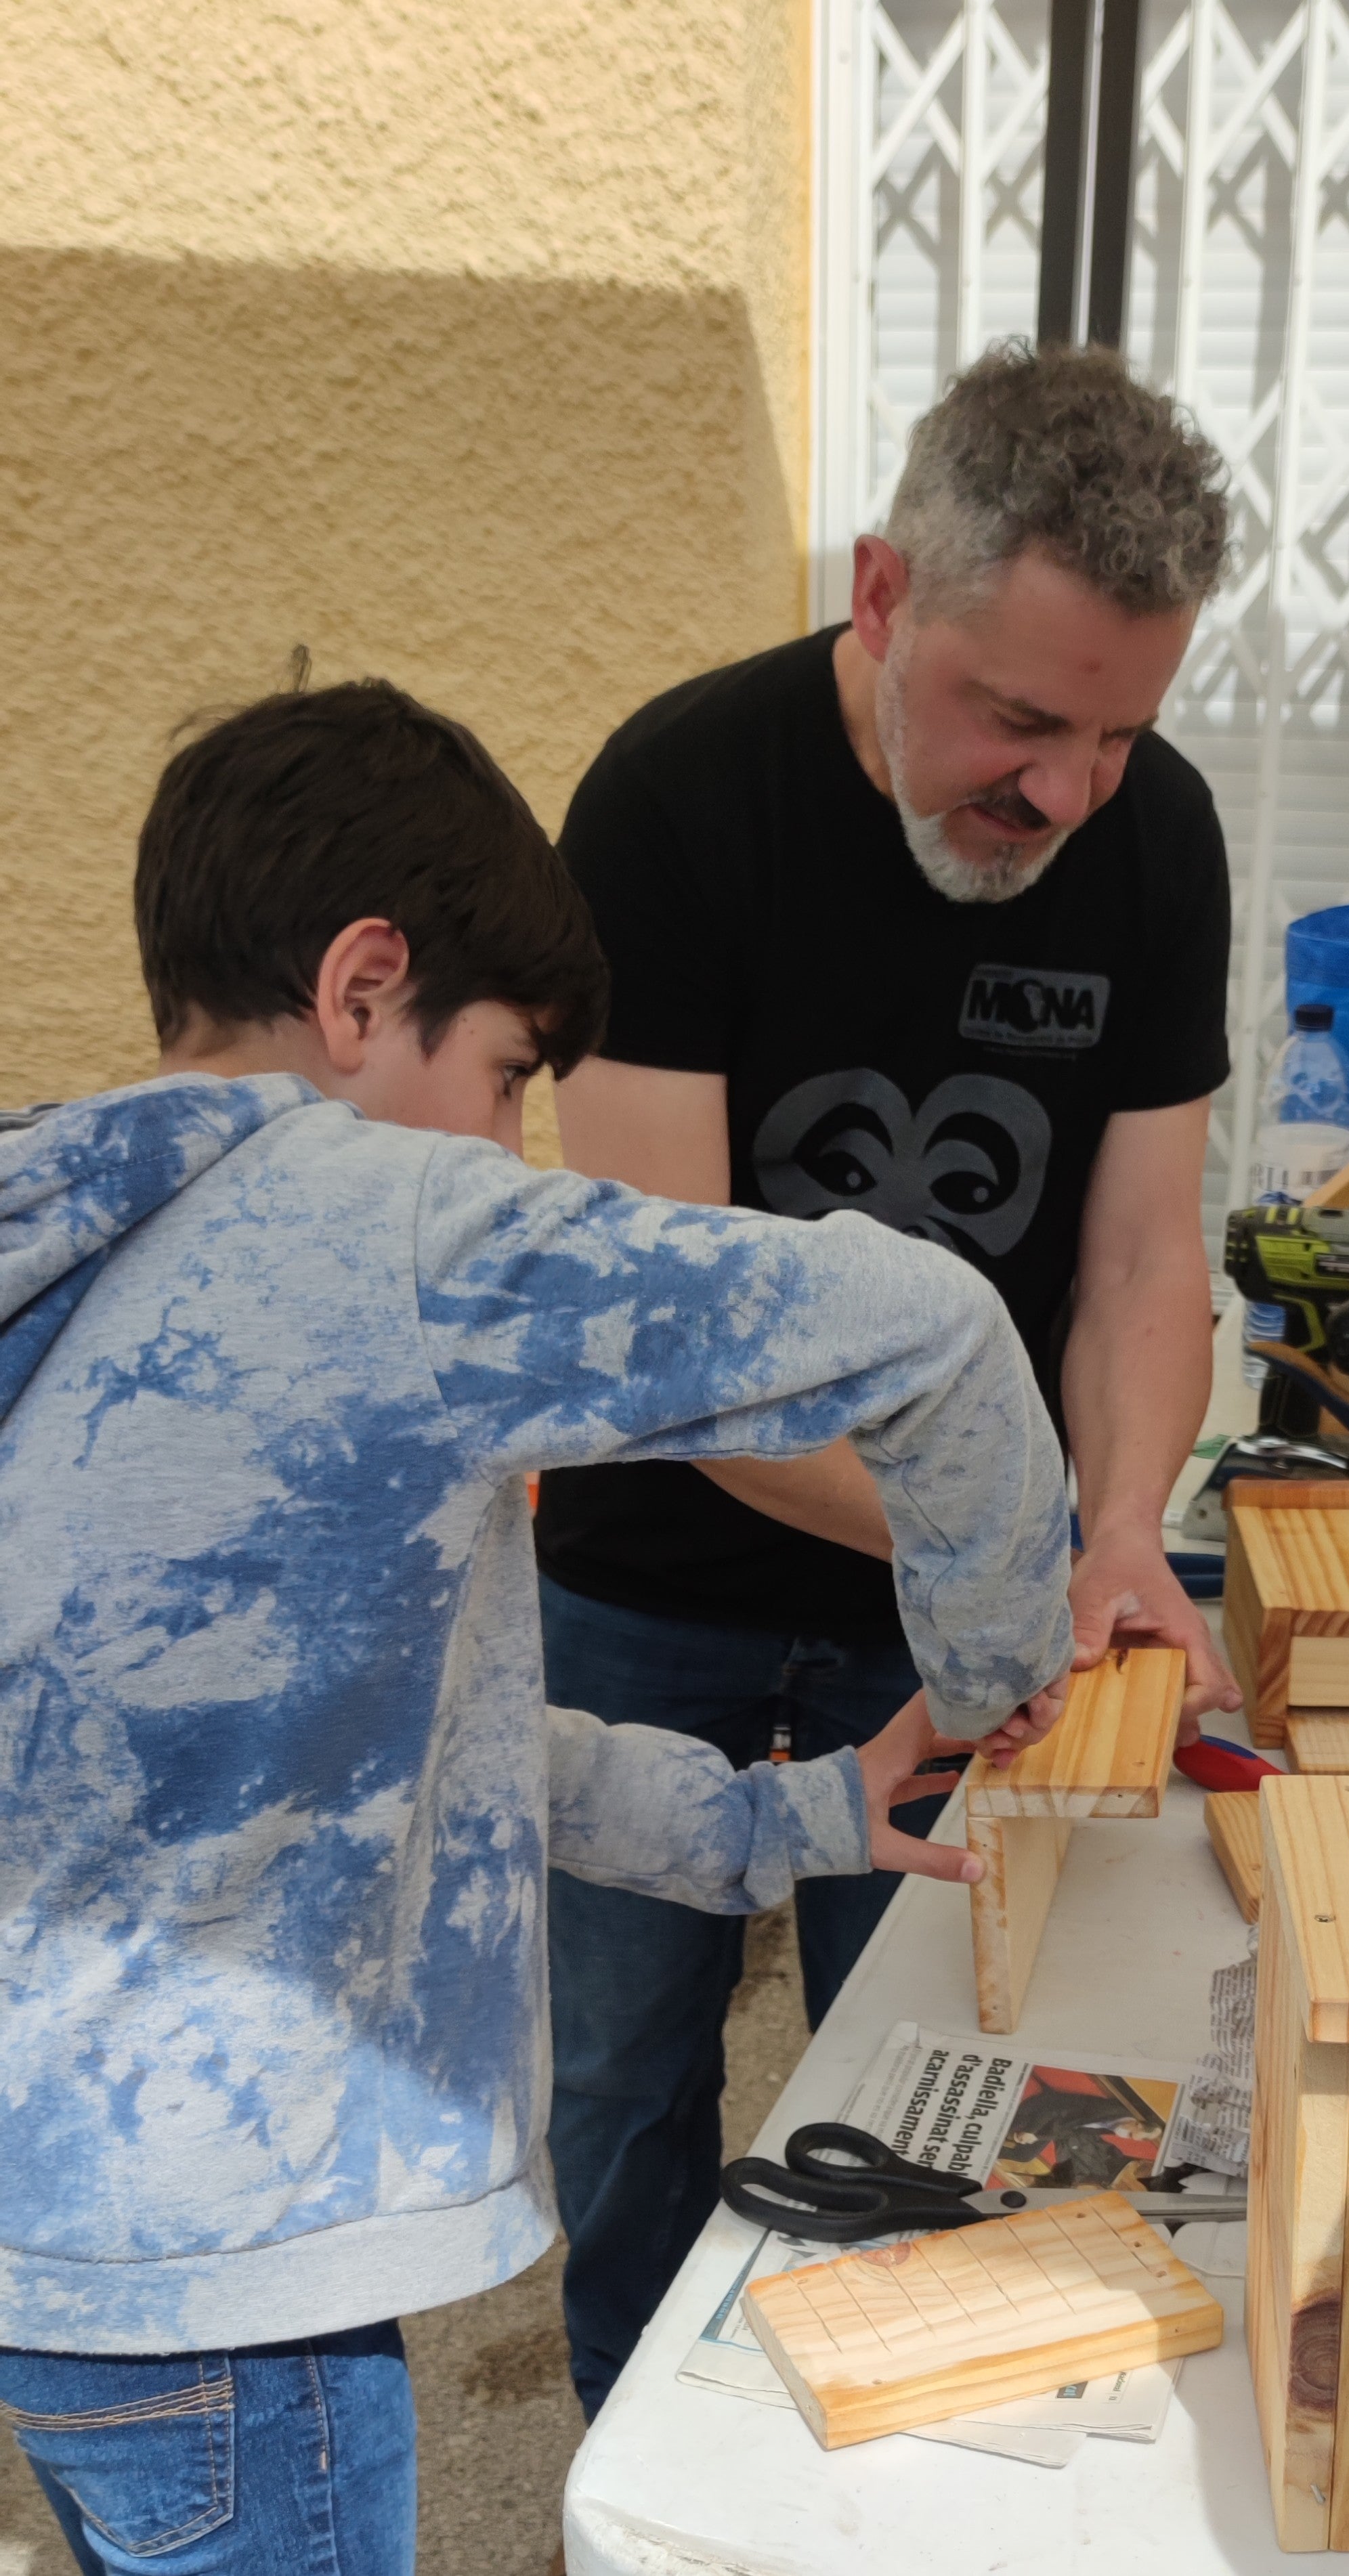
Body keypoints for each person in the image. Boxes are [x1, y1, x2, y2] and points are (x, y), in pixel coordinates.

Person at [0, 678, 1075, 2574]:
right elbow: (939, 1333)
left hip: (62, 2252)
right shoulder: (384, 1228)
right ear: (360, 991)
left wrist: (786, 1818)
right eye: (508, 1074)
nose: (509, 1142)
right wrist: (1007, 1681)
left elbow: (407, 1750)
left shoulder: (68, 1238)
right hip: (237, 2280)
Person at [536, 339, 1243, 2416]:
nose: (1065, 795)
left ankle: (846, 2478)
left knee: (931, 2065)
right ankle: (629, 2470)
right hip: (650, 1585)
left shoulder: (1156, 840)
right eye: (1018, 720)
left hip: (952, 1600)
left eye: (1121, 733)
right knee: (622, 2078)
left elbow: (1135, 1261)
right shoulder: (675, 800)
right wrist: (1025, 1544)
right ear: (880, 596)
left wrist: (1116, 1529)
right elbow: (693, 1361)